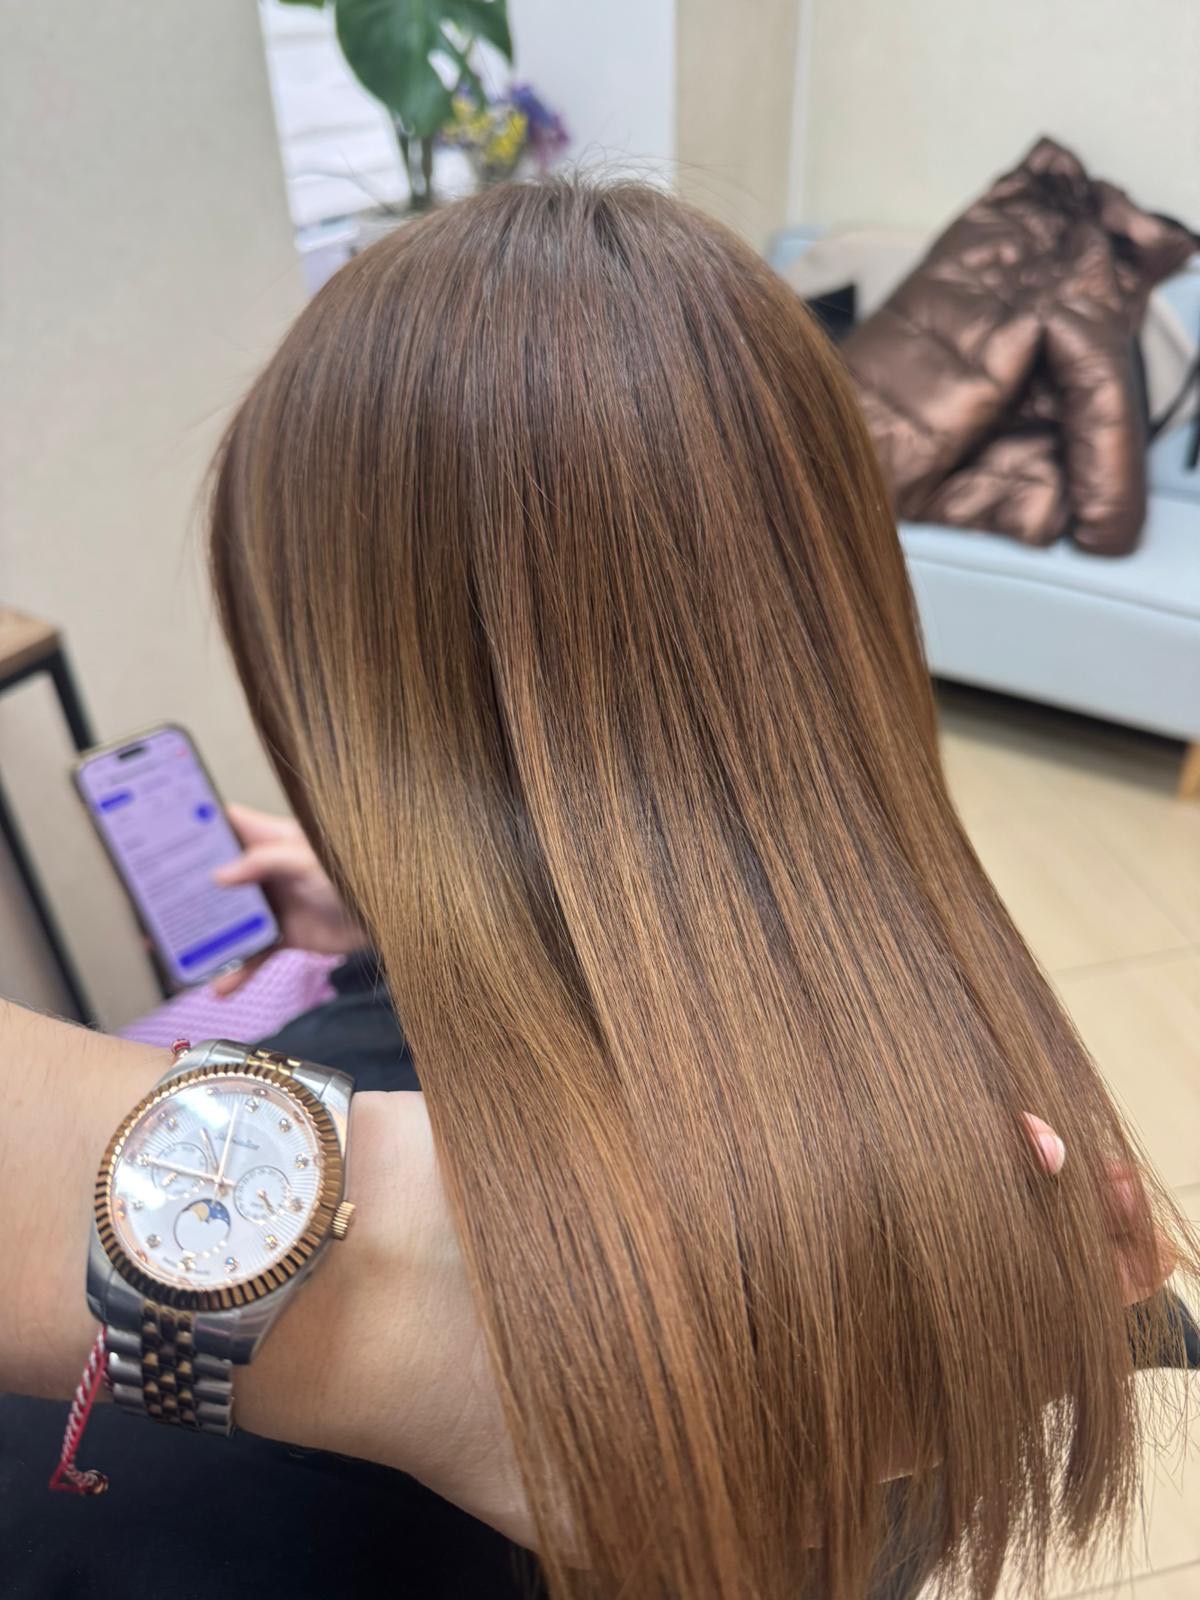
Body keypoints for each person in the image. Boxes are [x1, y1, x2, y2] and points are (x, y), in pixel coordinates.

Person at [1, 178, 1195, 1600]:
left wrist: (401, 1258)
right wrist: (391, 934)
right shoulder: (966, 1159)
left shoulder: (96, 1446)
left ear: (327, 695)